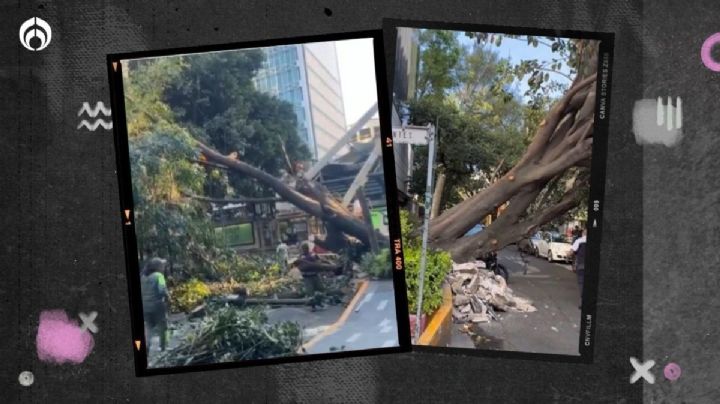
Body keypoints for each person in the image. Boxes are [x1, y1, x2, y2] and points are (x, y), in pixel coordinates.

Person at [141, 257, 170, 351]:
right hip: (157, 305)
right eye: (162, 265)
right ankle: (163, 346)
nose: (164, 267)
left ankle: (146, 346)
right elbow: (162, 290)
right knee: (163, 326)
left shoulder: (142, 276)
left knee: (148, 326)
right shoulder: (159, 276)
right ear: (157, 267)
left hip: (145, 306)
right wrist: (168, 298)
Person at [570, 229, 587, 308]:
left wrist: (567, 256)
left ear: (583, 234)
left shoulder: (579, 241)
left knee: (581, 283)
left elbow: (571, 251)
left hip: (581, 265)